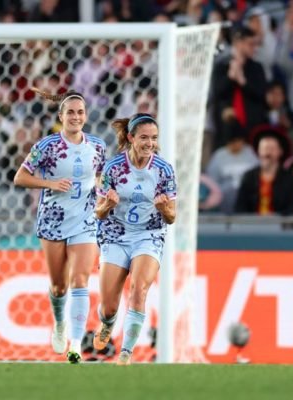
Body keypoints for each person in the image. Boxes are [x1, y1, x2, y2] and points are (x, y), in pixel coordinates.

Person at [13, 89, 106, 364]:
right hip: (53, 220)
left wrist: (105, 193)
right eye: (70, 112)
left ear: (86, 116)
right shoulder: (47, 146)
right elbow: (20, 178)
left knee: (80, 280)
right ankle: (60, 323)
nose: (76, 117)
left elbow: (99, 178)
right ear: (61, 116)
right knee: (58, 286)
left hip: (85, 221)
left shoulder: (98, 146)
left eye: (80, 112)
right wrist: (50, 184)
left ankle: (75, 344)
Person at [93, 113, 176, 365]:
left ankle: (126, 352)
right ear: (130, 138)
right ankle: (107, 323)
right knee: (109, 306)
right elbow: (97, 211)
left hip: (148, 235)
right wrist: (107, 204)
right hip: (116, 235)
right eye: (144, 138)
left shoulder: (163, 170)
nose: (149, 143)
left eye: (153, 138)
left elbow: (172, 217)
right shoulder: (113, 168)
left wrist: (163, 209)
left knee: (139, 289)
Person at [235, 127, 293, 215]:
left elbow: (292, 208)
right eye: (264, 149)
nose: (267, 153)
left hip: (280, 225)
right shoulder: (249, 177)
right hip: (251, 225)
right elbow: (240, 207)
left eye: (271, 149)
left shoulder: (289, 178)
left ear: (280, 151)